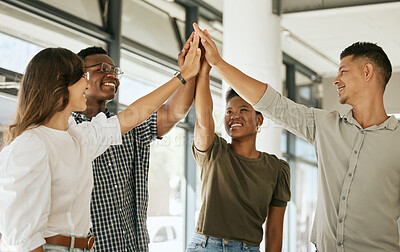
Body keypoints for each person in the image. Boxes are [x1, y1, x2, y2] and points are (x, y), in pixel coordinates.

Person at [193, 23, 400, 251]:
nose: (336, 79)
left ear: (367, 72)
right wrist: (217, 63)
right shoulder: (324, 126)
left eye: (344, 71)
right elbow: (274, 104)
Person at [0, 36, 201, 252]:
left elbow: (132, 115)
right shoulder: (31, 145)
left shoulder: (79, 138)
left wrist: (184, 75)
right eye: (81, 77)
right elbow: (23, 239)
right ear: (61, 81)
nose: (86, 83)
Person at [72, 33, 199, 251]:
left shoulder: (129, 127)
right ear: (78, 77)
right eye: (102, 68)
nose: (111, 74)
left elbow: (173, 112)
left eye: (114, 70)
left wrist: (191, 69)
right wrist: (184, 74)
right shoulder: (67, 131)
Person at [186, 29, 290, 252]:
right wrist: (204, 73)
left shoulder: (277, 169)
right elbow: (204, 119)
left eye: (243, 110)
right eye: (229, 111)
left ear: (259, 119)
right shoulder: (215, 151)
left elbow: (274, 231)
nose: (234, 116)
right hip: (206, 246)